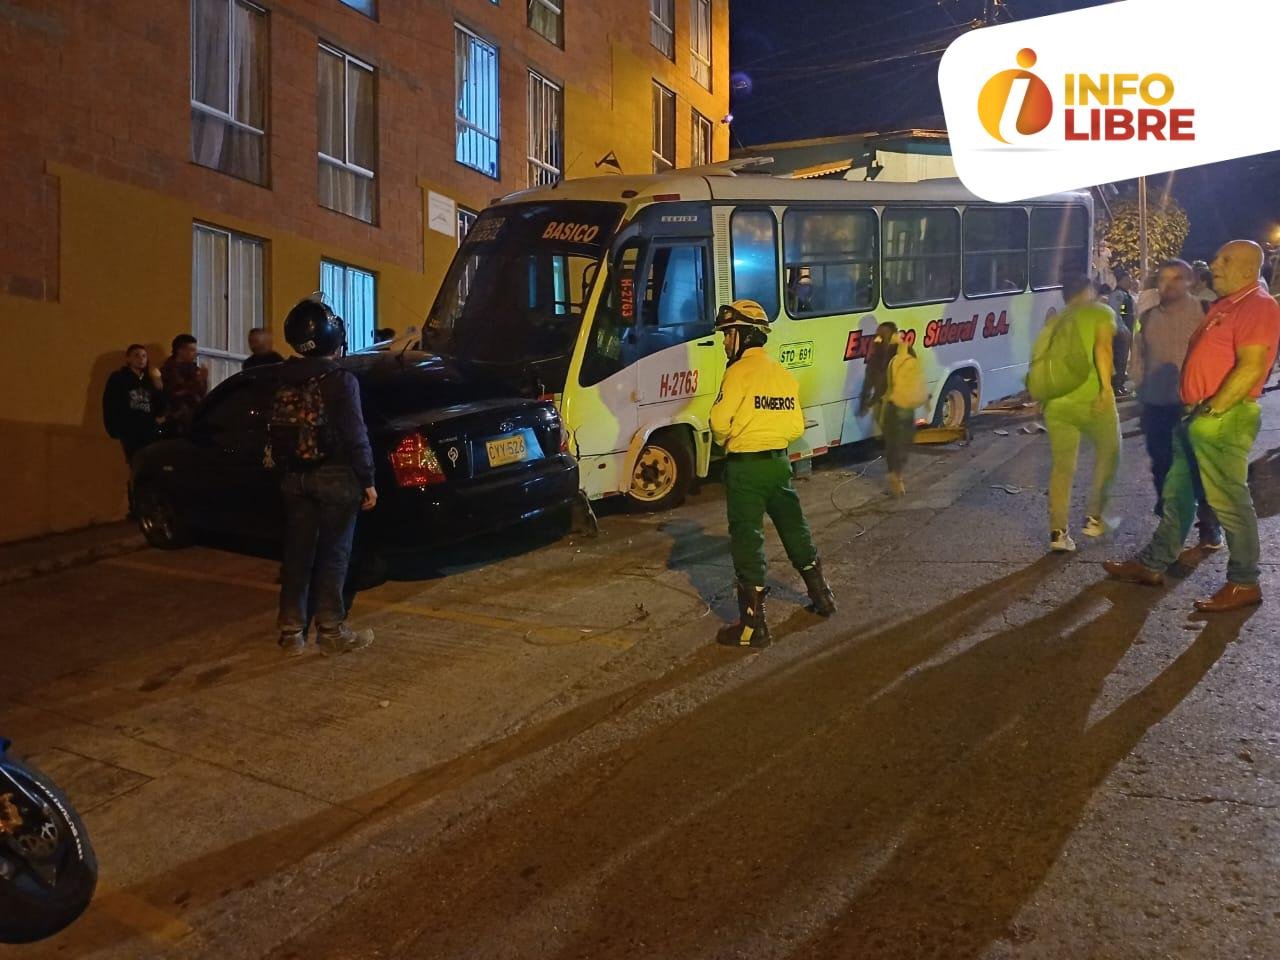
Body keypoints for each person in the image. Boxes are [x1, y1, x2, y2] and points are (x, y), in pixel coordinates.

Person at [1104, 240, 1280, 612]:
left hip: (1222, 419)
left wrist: (1213, 410)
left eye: (1225, 260)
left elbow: (1251, 366)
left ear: (1249, 269)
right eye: (1217, 258)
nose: (1215, 265)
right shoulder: (1226, 305)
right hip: (1195, 414)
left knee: (1228, 500)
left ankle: (1244, 582)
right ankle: (1154, 563)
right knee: (1177, 493)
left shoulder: (1259, 305)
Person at [709, 299, 836, 649]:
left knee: (747, 540)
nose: (724, 342)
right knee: (794, 527)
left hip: (746, 468)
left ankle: (753, 627)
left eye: (728, 334)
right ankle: (823, 597)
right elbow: (795, 426)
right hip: (779, 465)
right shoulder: (782, 374)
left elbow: (718, 423)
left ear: (743, 335)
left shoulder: (737, 373)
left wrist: (731, 436)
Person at [273, 298, 378, 656]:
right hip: (335, 477)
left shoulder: (282, 375)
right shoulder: (340, 380)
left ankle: (291, 632)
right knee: (334, 554)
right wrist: (368, 479)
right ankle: (331, 631)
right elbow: (355, 433)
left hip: (294, 477)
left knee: (297, 554)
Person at [1129, 260, 1223, 550]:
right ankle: (1170, 525)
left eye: (1177, 278)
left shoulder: (1206, 312)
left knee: (1202, 468)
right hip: (1157, 405)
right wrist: (1141, 394)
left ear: (1190, 281)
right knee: (1162, 466)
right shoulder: (1147, 317)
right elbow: (1138, 358)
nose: (1169, 285)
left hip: (1196, 406)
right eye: (1163, 279)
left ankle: (1209, 525)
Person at [1043, 273, 1121, 553]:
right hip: (1090, 398)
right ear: (1088, 291)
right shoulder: (1101, 312)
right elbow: (1103, 347)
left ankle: (1058, 533)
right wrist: (1106, 388)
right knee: (1110, 452)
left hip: (1057, 403)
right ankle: (1094, 518)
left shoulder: (1055, 319)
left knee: (1062, 468)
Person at [866, 322, 926, 497]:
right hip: (907, 405)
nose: (878, 339)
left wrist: (872, 400)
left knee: (892, 444)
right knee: (903, 443)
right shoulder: (908, 350)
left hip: (892, 406)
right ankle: (898, 475)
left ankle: (895, 474)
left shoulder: (889, 354)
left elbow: (883, 384)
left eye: (881, 335)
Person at [102, 344, 165, 463]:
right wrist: (114, 428)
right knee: (136, 461)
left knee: (151, 462)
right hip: (129, 429)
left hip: (149, 429)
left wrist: (158, 384)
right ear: (128, 359)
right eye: (136, 356)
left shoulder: (149, 379)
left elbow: (160, 405)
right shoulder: (119, 378)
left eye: (144, 356)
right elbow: (110, 403)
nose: (141, 359)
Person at [160, 334, 208, 434]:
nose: (195, 353)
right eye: (192, 350)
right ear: (180, 350)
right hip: (177, 419)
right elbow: (177, 391)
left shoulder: (195, 369)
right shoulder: (169, 369)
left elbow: (202, 394)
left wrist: (202, 380)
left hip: (196, 418)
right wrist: (198, 381)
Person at [1107, 268, 1136, 396]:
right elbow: (1115, 313)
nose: (1131, 282)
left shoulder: (1125, 295)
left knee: (1123, 360)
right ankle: (1115, 385)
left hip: (1125, 332)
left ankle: (1119, 384)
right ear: (1122, 280)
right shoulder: (1118, 295)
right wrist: (1122, 329)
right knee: (1118, 360)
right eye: (1128, 280)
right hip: (1120, 333)